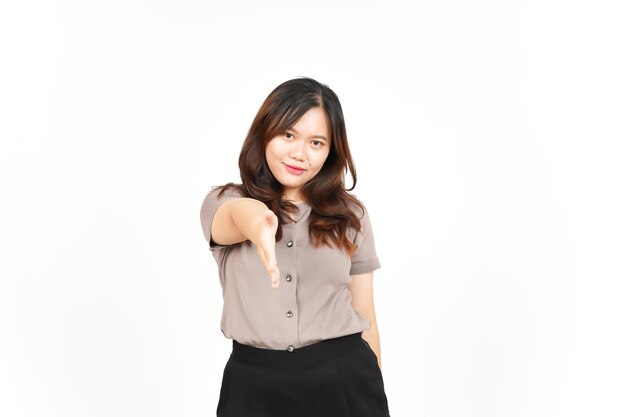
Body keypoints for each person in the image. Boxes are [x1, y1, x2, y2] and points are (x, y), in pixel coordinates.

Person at [199, 77, 391, 417]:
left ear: (331, 150)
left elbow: (367, 315)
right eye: (288, 135)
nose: (299, 153)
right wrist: (260, 224)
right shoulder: (224, 201)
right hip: (253, 387)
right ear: (265, 132)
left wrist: (375, 390)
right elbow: (236, 217)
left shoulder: (351, 215)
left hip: (345, 380)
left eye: (316, 142)